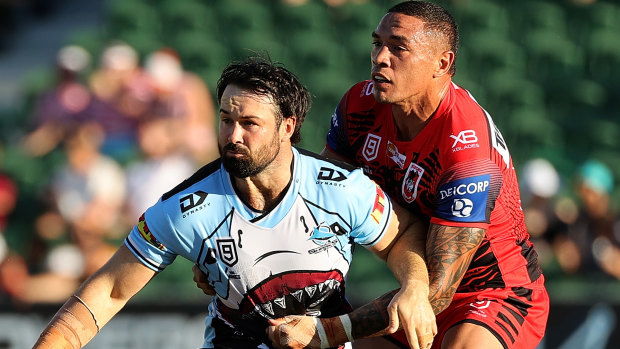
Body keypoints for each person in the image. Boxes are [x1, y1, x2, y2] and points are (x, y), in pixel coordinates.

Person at [32, 57, 435, 349]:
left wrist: (415, 285)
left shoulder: (340, 189)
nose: (233, 135)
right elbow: (108, 292)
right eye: (226, 119)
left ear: (287, 128)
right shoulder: (186, 208)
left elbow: (405, 238)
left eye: (249, 124)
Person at [266, 2, 549, 349]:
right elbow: (318, 201)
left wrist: (326, 332)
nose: (380, 57)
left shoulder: (466, 147)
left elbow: (437, 294)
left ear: (441, 63)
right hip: (411, 291)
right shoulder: (359, 104)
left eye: (398, 47)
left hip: (494, 292)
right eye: (377, 44)